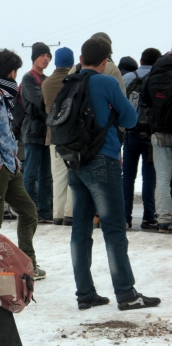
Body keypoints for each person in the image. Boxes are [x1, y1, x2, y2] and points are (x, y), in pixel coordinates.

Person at [67, 38, 161, 310]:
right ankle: (126, 293)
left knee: (80, 230)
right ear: (105, 61)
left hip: (75, 162)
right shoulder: (106, 83)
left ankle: (85, 294)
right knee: (114, 229)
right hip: (103, 161)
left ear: (82, 58)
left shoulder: (69, 84)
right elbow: (130, 119)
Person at [0, 49, 45, 280]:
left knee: (29, 212)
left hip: (8, 166)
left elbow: (4, 132)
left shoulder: (2, 95)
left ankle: (27, 264)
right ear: (11, 72)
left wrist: (12, 160)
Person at [122, 48, 162, 230]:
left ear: (140, 60)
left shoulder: (128, 77)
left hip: (130, 132)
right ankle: (149, 217)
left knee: (128, 176)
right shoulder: (157, 79)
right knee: (149, 176)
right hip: (150, 133)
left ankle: (125, 217)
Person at [21, 42, 53, 223]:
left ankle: (45, 211)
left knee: (46, 175)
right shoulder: (29, 78)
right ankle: (28, 209)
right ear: (35, 57)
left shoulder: (47, 79)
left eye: (48, 56)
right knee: (31, 173)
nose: (46, 59)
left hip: (46, 131)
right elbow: (39, 101)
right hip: (33, 131)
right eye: (43, 55)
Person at [42, 47, 75, 226]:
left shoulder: (46, 83)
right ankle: (69, 213)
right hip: (71, 135)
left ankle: (58, 214)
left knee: (58, 176)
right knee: (72, 174)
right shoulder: (73, 81)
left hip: (53, 135)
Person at [141, 49, 172, 233]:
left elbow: (144, 101)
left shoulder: (154, 73)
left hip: (158, 131)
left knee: (162, 177)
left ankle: (163, 221)